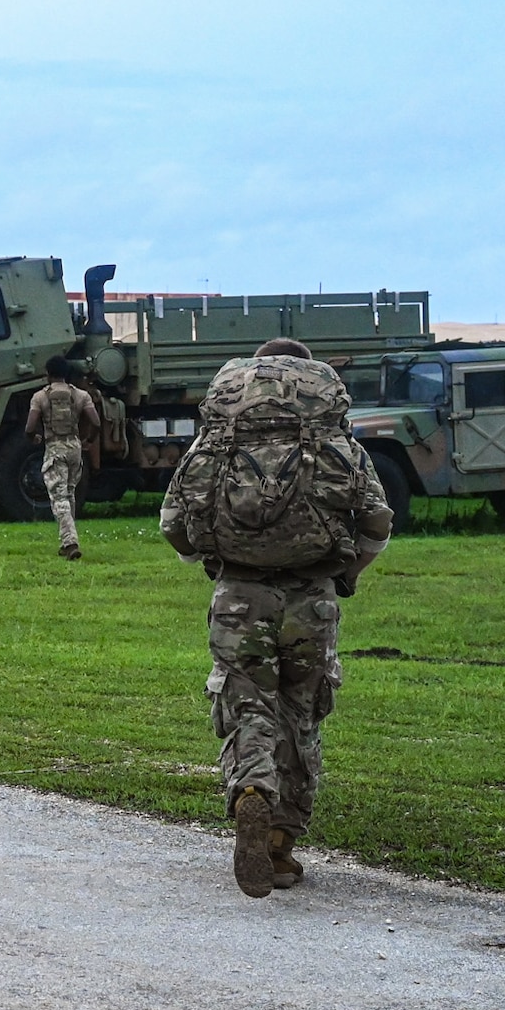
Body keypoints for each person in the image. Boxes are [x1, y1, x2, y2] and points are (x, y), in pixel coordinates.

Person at [160, 338, 392, 898]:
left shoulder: (217, 444)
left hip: (239, 594)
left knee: (248, 704)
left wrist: (213, 561)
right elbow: (378, 521)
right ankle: (282, 846)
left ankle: (251, 793)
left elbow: (173, 523)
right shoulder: (336, 445)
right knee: (302, 712)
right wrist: (347, 573)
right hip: (313, 597)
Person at [24, 355, 101, 559]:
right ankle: (66, 539)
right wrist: (89, 440)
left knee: (58, 497)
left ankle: (70, 543)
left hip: (55, 447)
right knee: (69, 493)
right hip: (74, 447)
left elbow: (30, 427)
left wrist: (34, 437)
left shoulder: (40, 397)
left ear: (48, 374)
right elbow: (96, 422)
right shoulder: (81, 395)